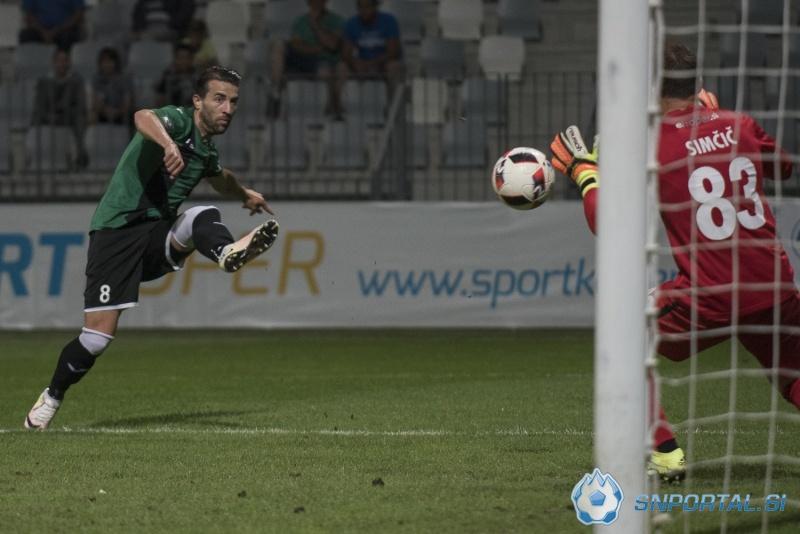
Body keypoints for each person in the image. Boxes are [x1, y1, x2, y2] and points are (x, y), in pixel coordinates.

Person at [550, 42, 799, 482]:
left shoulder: (650, 147)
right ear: (697, 83)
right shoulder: (740, 123)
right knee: (794, 375)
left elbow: (608, 224)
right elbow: (783, 168)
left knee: (622, 332)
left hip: (711, 296)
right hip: (773, 287)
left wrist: (585, 173)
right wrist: (715, 124)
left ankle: (663, 450)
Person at [24, 66, 280, 430]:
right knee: (96, 339)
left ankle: (224, 253)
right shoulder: (177, 121)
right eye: (219, 99)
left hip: (156, 237)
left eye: (233, 102)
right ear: (198, 101)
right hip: (117, 233)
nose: (228, 109)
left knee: (201, 215)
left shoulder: (206, 150)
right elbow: (142, 116)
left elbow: (221, 178)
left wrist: (244, 194)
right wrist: (168, 144)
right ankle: (51, 396)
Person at [268, 0, 347, 120]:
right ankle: (275, 93)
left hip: (322, 61)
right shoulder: (300, 21)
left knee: (327, 70)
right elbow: (296, 45)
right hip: (301, 58)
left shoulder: (336, 21)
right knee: (277, 45)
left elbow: (332, 45)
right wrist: (317, 48)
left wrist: (315, 26)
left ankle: (333, 106)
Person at [31, 47, 88, 167]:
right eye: (59, 60)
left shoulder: (77, 81)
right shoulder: (44, 81)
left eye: (65, 60)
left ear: (69, 62)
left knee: (80, 118)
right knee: (35, 117)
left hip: (69, 117)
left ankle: (80, 154)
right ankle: (34, 158)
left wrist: (66, 112)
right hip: (48, 116)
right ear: (53, 62)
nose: (62, 64)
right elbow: (39, 105)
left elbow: (80, 104)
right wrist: (49, 116)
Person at [342, 0, 404, 95]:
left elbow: (393, 52)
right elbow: (346, 54)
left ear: (375, 7)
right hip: (363, 63)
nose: (364, 11)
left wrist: (372, 63)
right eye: (360, 7)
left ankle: (392, 101)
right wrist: (355, 62)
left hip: (383, 63)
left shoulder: (389, 20)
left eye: (367, 7)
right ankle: (338, 102)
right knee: (341, 67)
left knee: (393, 66)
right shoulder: (351, 23)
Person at [90, 47, 135, 126]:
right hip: (102, 113)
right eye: (104, 62)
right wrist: (105, 111)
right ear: (100, 63)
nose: (107, 64)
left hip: (121, 114)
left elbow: (127, 101)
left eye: (110, 61)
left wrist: (117, 112)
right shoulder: (96, 79)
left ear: (116, 63)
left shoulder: (124, 78)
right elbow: (95, 100)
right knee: (93, 114)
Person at [19, 0, 85, 50]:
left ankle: (62, 62)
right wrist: (43, 31)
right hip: (39, 29)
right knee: (25, 35)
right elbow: (28, 13)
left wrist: (58, 29)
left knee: (67, 37)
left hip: (65, 29)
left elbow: (78, 14)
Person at [155, 44, 197, 108]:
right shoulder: (167, 76)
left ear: (191, 59)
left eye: (187, 58)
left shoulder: (198, 77)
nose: (184, 61)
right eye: (181, 58)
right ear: (175, 58)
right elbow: (160, 98)